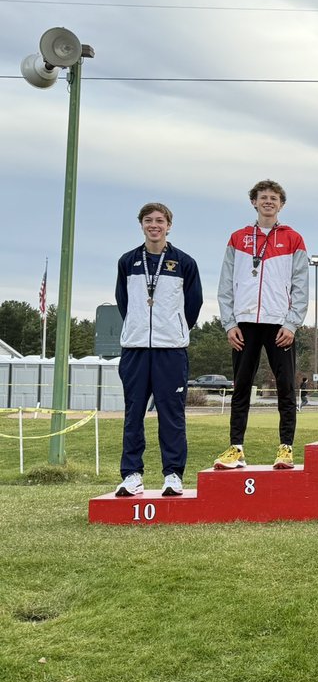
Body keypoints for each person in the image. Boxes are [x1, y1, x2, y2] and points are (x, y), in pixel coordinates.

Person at [213, 179, 309, 471]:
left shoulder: (294, 239)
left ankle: (285, 449)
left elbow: (301, 286)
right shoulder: (237, 238)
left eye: (274, 198)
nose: (268, 202)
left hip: (280, 324)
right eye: (263, 197)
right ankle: (236, 449)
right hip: (244, 323)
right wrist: (229, 324)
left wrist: (292, 324)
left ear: (281, 204)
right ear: (253, 202)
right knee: (241, 386)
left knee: (285, 387)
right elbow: (225, 285)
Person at [114, 202, 203, 497]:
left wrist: (174, 329)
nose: (154, 225)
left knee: (172, 415)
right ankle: (132, 475)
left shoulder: (185, 263)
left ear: (169, 225)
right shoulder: (127, 261)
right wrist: (139, 327)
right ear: (141, 224)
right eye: (149, 220)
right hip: (136, 349)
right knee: (133, 414)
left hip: (171, 350)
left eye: (160, 220)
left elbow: (194, 304)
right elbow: (123, 302)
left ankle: (173, 475)